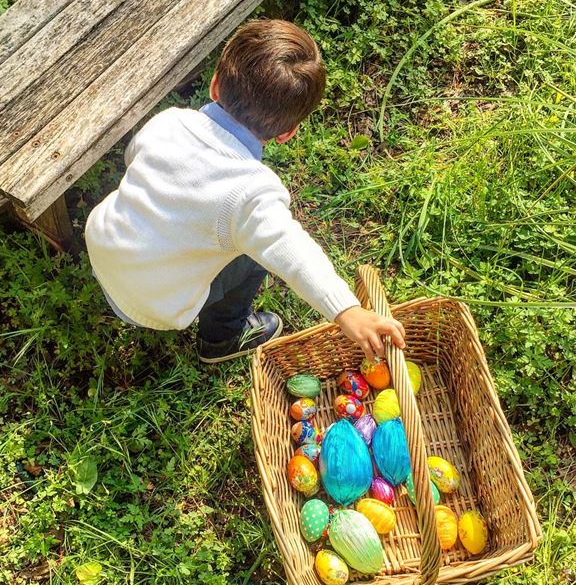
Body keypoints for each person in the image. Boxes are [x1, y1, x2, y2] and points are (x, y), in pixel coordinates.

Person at [85, 19, 405, 363]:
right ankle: (223, 337)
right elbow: (294, 254)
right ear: (288, 133)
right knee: (254, 254)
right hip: (154, 303)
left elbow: (134, 159)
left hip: (103, 246)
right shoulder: (251, 193)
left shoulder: (169, 121)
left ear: (215, 84)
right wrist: (347, 311)